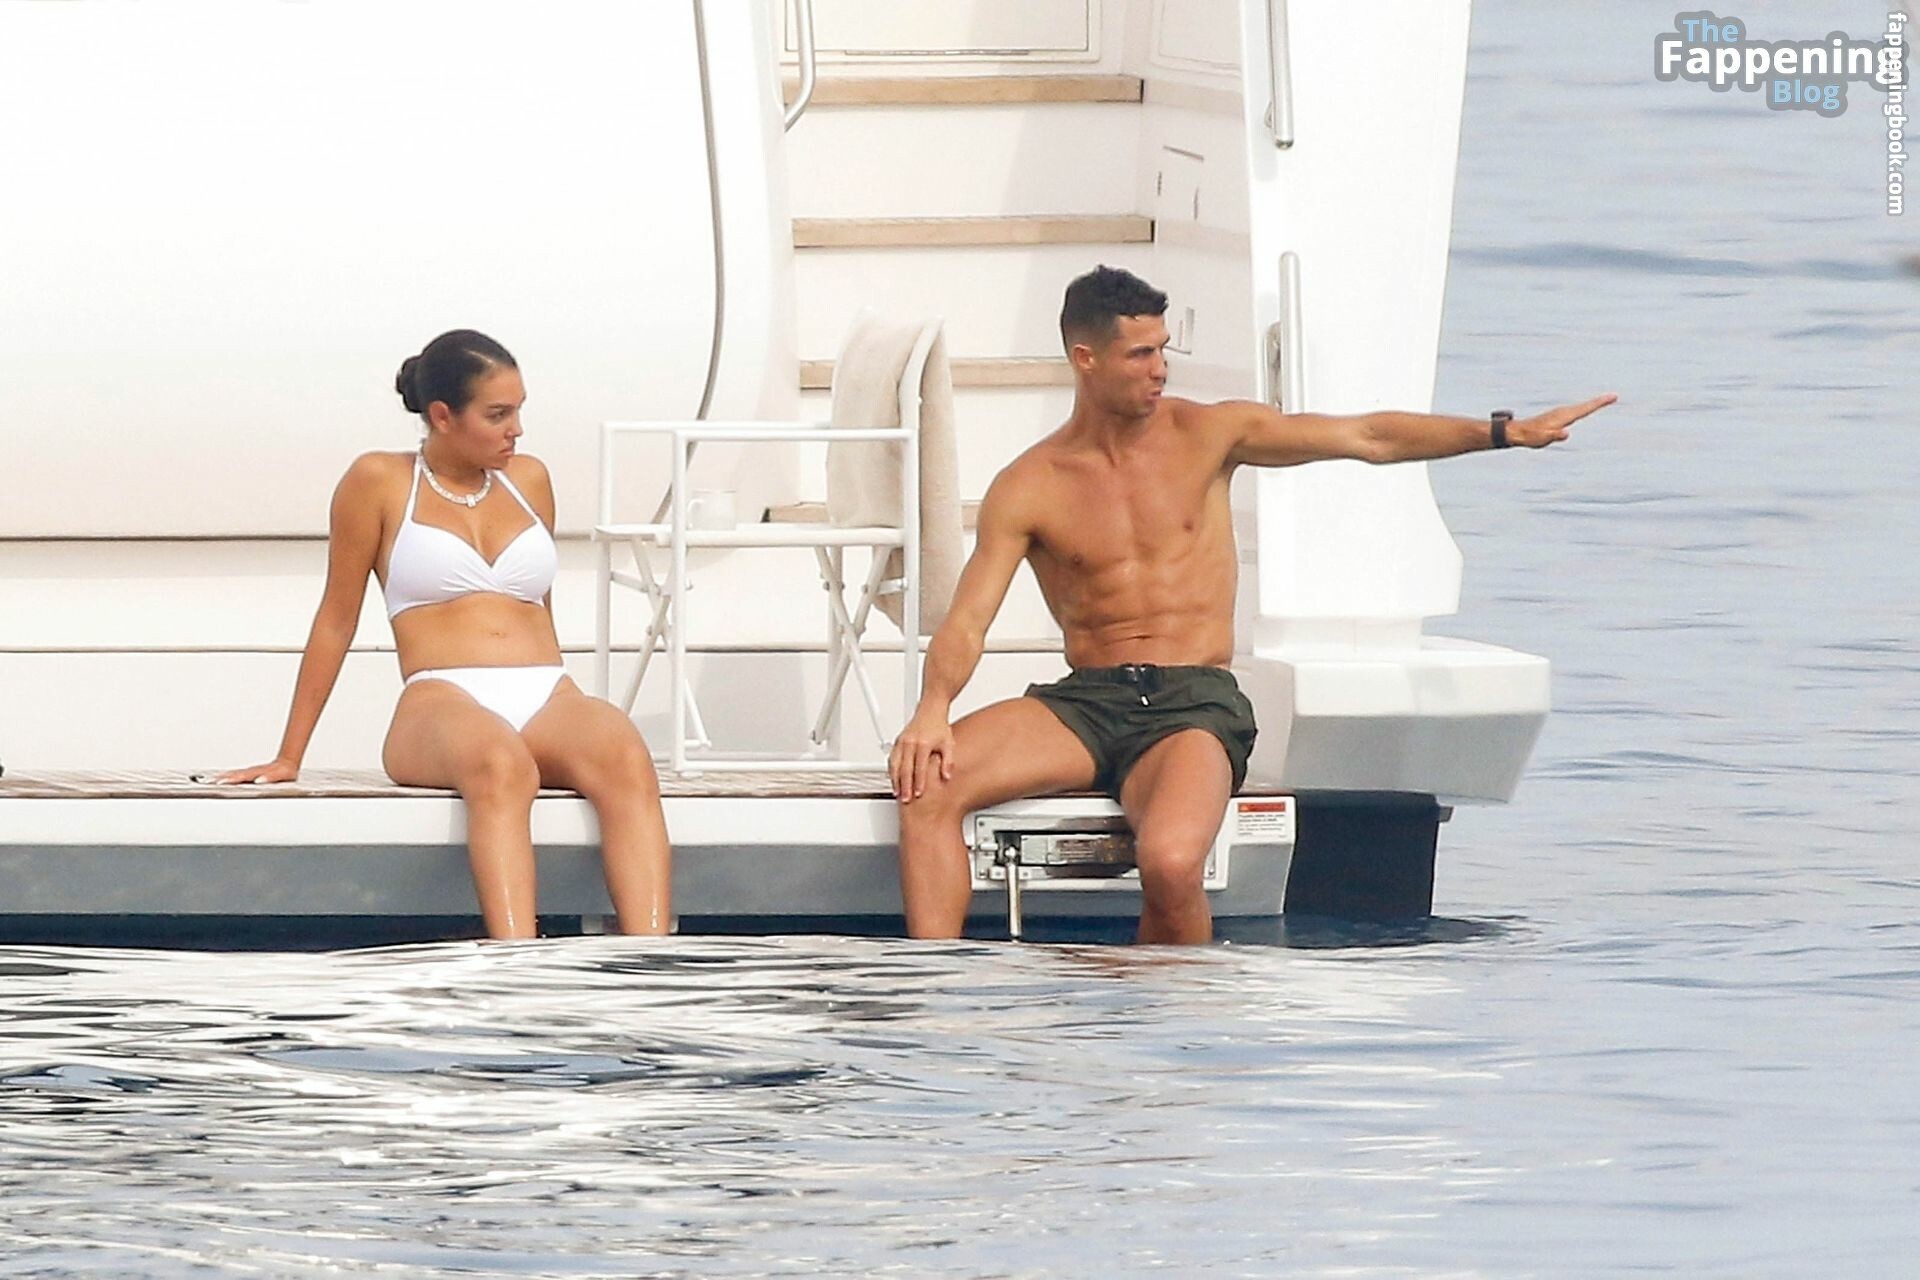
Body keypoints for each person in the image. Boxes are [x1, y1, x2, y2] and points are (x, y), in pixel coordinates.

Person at [889, 266, 1616, 945]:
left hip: (1192, 703)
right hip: (1088, 703)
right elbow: (969, 619)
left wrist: (1502, 433)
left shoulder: (1209, 433)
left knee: (1172, 862)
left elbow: (1366, 436)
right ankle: (936, 991)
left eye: (1163, 350)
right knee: (927, 787)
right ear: (1086, 359)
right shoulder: (1031, 483)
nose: (1160, 369)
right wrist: (932, 711)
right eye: (1140, 354)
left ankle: (1166, 1010)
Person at [220, 330, 671, 939]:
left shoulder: (529, 480)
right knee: (500, 764)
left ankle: (649, 958)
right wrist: (289, 755)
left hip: (545, 691)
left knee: (623, 751)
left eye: (519, 411)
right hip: (442, 696)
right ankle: (517, 960)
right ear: (441, 416)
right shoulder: (378, 480)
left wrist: (565, 698)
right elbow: (336, 618)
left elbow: (539, 607)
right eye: (497, 415)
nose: (516, 430)